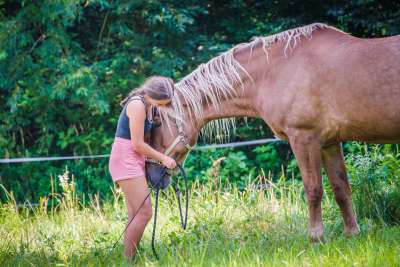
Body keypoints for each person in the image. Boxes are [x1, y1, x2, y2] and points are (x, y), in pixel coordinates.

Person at [108, 76, 177, 258]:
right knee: (145, 212)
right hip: (125, 159)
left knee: (135, 213)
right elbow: (137, 144)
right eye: (161, 103)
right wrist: (163, 159)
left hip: (134, 159)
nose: (162, 107)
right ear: (153, 95)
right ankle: (129, 259)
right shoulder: (137, 105)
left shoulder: (149, 106)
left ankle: (130, 258)